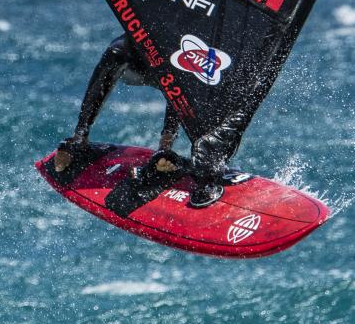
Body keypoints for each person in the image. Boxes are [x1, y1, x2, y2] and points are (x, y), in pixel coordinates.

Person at [51, 33, 230, 208]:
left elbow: (178, 91)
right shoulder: (122, 50)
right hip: (137, 61)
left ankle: (166, 150)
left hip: (174, 56)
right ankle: (80, 136)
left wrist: (165, 145)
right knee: (115, 54)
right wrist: (81, 132)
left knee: (185, 77)